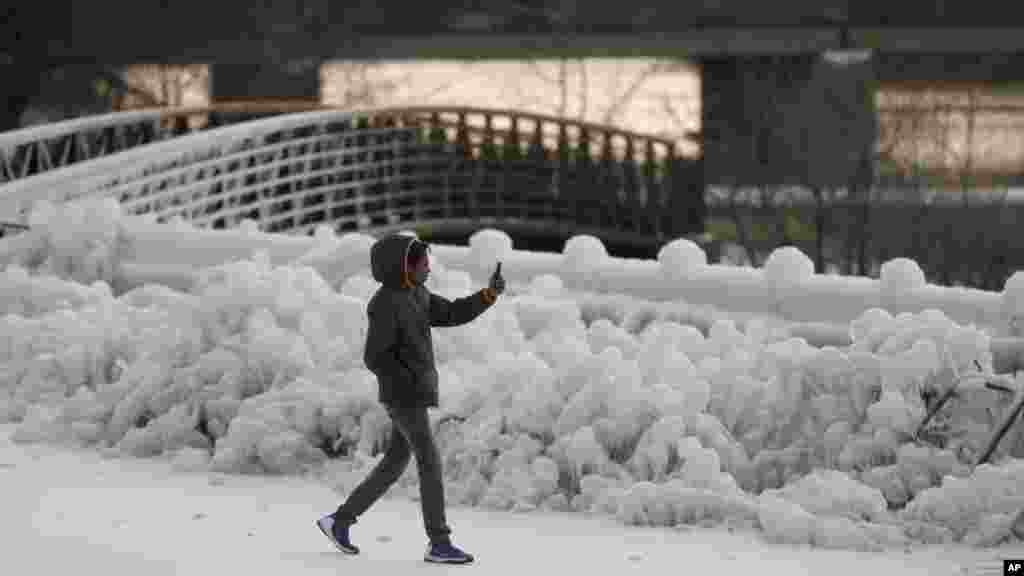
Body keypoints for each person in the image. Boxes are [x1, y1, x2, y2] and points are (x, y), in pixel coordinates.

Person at [317, 235, 505, 565]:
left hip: (412, 393)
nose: (428, 269)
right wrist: (406, 381)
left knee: (394, 463)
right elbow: (374, 356)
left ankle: (340, 520)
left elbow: (451, 312)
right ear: (403, 266)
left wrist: (488, 295)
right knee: (429, 460)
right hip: (404, 396)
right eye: (423, 264)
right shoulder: (386, 303)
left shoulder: (417, 294)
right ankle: (439, 541)